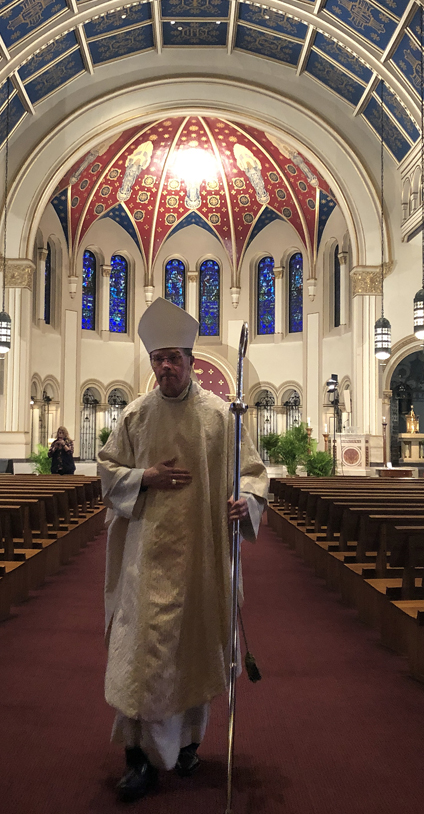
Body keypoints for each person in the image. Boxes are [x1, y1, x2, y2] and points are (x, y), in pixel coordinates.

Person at [98, 298, 268, 803]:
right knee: (142, 654)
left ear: (193, 362)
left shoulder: (220, 417)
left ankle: (191, 744)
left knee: (197, 648)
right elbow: (107, 474)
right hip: (145, 560)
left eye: (173, 357)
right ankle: (137, 758)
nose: (165, 366)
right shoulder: (135, 416)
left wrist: (248, 501)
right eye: (158, 359)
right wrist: (144, 477)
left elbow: (254, 473)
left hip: (202, 556)